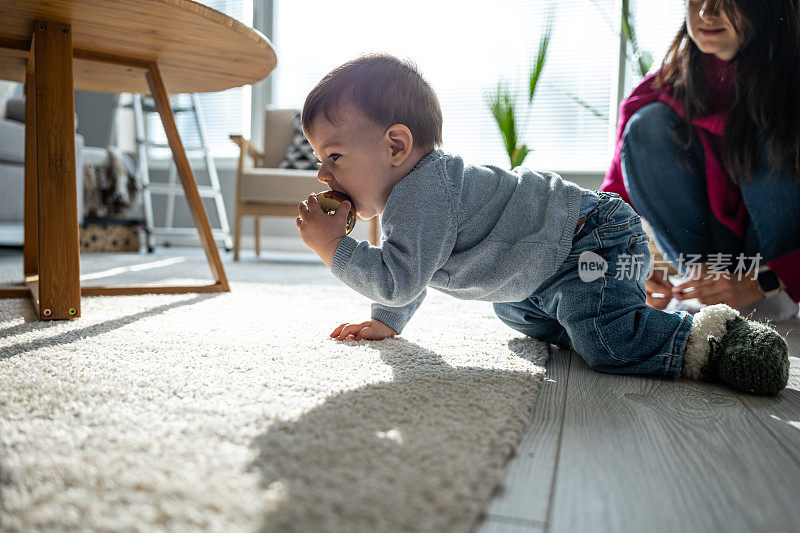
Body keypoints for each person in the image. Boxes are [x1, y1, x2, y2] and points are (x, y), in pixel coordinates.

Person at [295, 53, 789, 395]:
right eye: (321, 159)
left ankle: (710, 339)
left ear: (396, 146)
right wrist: (388, 320)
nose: (323, 174)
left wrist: (333, 248)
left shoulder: (421, 192)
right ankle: (596, 310)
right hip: (548, 267)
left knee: (607, 343)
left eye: (334, 155)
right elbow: (416, 268)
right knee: (513, 315)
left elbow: (400, 279)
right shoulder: (418, 191)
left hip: (590, 241)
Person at [601, 0, 800, 322]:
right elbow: (611, 201)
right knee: (646, 124)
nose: (707, 12)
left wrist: (762, 280)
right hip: (707, 258)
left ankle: (773, 293)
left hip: (774, 268)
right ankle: (705, 288)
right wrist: (634, 262)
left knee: (773, 123)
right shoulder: (666, 83)